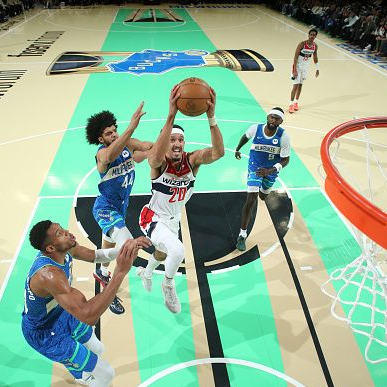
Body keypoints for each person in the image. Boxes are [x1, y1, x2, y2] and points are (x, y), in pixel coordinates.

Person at [22, 220, 150, 387]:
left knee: (98, 349)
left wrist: (125, 250)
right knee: (106, 374)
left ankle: (80, 374)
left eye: (62, 228)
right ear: (50, 248)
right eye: (59, 234)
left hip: (60, 314)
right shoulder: (49, 276)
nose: (67, 232)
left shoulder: (64, 249)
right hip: (44, 333)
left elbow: (94, 255)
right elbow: (88, 315)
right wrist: (120, 272)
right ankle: (86, 378)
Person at [137, 85, 224, 314]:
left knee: (162, 253)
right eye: (172, 139)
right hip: (153, 217)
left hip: (173, 219)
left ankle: (146, 273)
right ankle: (168, 284)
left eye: (180, 140)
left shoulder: (192, 160)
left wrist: (211, 116)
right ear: (166, 142)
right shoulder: (159, 162)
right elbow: (155, 155)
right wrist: (171, 114)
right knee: (178, 251)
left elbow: (218, 153)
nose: (176, 144)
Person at [85, 102, 153, 314]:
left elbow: (147, 149)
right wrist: (131, 127)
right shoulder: (102, 155)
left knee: (111, 245)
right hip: (105, 208)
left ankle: (102, 270)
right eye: (109, 133)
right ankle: (107, 289)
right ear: (100, 139)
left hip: (120, 208)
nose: (114, 135)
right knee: (128, 250)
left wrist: (168, 135)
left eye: (115, 131)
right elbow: (110, 155)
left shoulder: (127, 145)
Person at [234, 108, 290, 251]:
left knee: (263, 196)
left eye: (277, 119)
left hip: (270, 171)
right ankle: (242, 234)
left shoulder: (283, 136)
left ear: (281, 121)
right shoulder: (255, 129)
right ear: (267, 117)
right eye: (272, 117)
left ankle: (263, 191)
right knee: (251, 199)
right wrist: (238, 148)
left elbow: (286, 159)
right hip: (255, 167)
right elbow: (245, 136)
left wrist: (271, 170)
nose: (273, 120)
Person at [289, 28, 320, 113]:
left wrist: (317, 68)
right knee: (295, 86)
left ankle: (296, 103)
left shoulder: (315, 46)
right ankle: (291, 104)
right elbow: (295, 57)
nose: (312, 36)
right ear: (308, 35)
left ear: (316, 36)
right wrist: (294, 70)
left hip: (305, 68)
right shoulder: (302, 44)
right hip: (298, 67)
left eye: (314, 35)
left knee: (300, 86)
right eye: (311, 34)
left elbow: (315, 57)